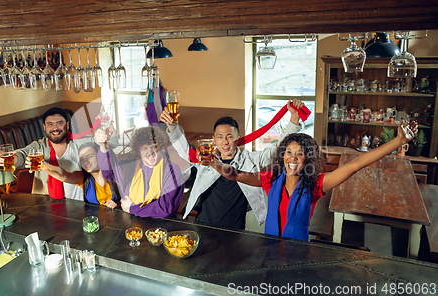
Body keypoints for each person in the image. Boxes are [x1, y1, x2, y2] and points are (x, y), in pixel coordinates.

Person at [210, 121, 418, 241]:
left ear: (308, 158)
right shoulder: (271, 180)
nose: (292, 158)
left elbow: (356, 164)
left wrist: (398, 141)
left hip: (298, 254)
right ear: (282, 155)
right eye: (288, 152)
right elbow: (235, 174)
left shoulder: (316, 185)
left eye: (299, 154)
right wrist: (213, 162)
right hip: (269, 252)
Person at [160, 99, 305, 230]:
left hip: (235, 228)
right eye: (220, 137)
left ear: (238, 138)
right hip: (203, 224)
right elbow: (184, 149)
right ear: (214, 140)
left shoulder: (251, 160)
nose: (225, 142)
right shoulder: (204, 158)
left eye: (230, 136)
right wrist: (172, 126)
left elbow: (278, 149)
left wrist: (294, 118)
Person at [0, 107, 114, 200]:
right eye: (50, 124)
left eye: (59, 123)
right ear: (44, 127)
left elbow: (106, 144)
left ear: (67, 125)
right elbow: (22, 154)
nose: (55, 128)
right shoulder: (38, 147)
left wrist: (105, 127)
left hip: (78, 206)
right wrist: (13, 159)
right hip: (46, 206)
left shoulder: (79, 142)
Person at [94, 125, 184, 218]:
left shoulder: (172, 170)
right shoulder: (130, 168)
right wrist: (103, 146)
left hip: (161, 227)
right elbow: (109, 171)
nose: (150, 152)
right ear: (138, 151)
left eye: (153, 147)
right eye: (145, 148)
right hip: (131, 225)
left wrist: (132, 208)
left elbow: (165, 208)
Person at [36, 142, 120, 208]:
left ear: (99, 156)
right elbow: (63, 175)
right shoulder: (83, 177)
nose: (86, 161)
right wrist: (43, 165)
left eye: (90, 156)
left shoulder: (116, 174)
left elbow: (131, 198)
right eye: (82, 159)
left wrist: (118, 204)